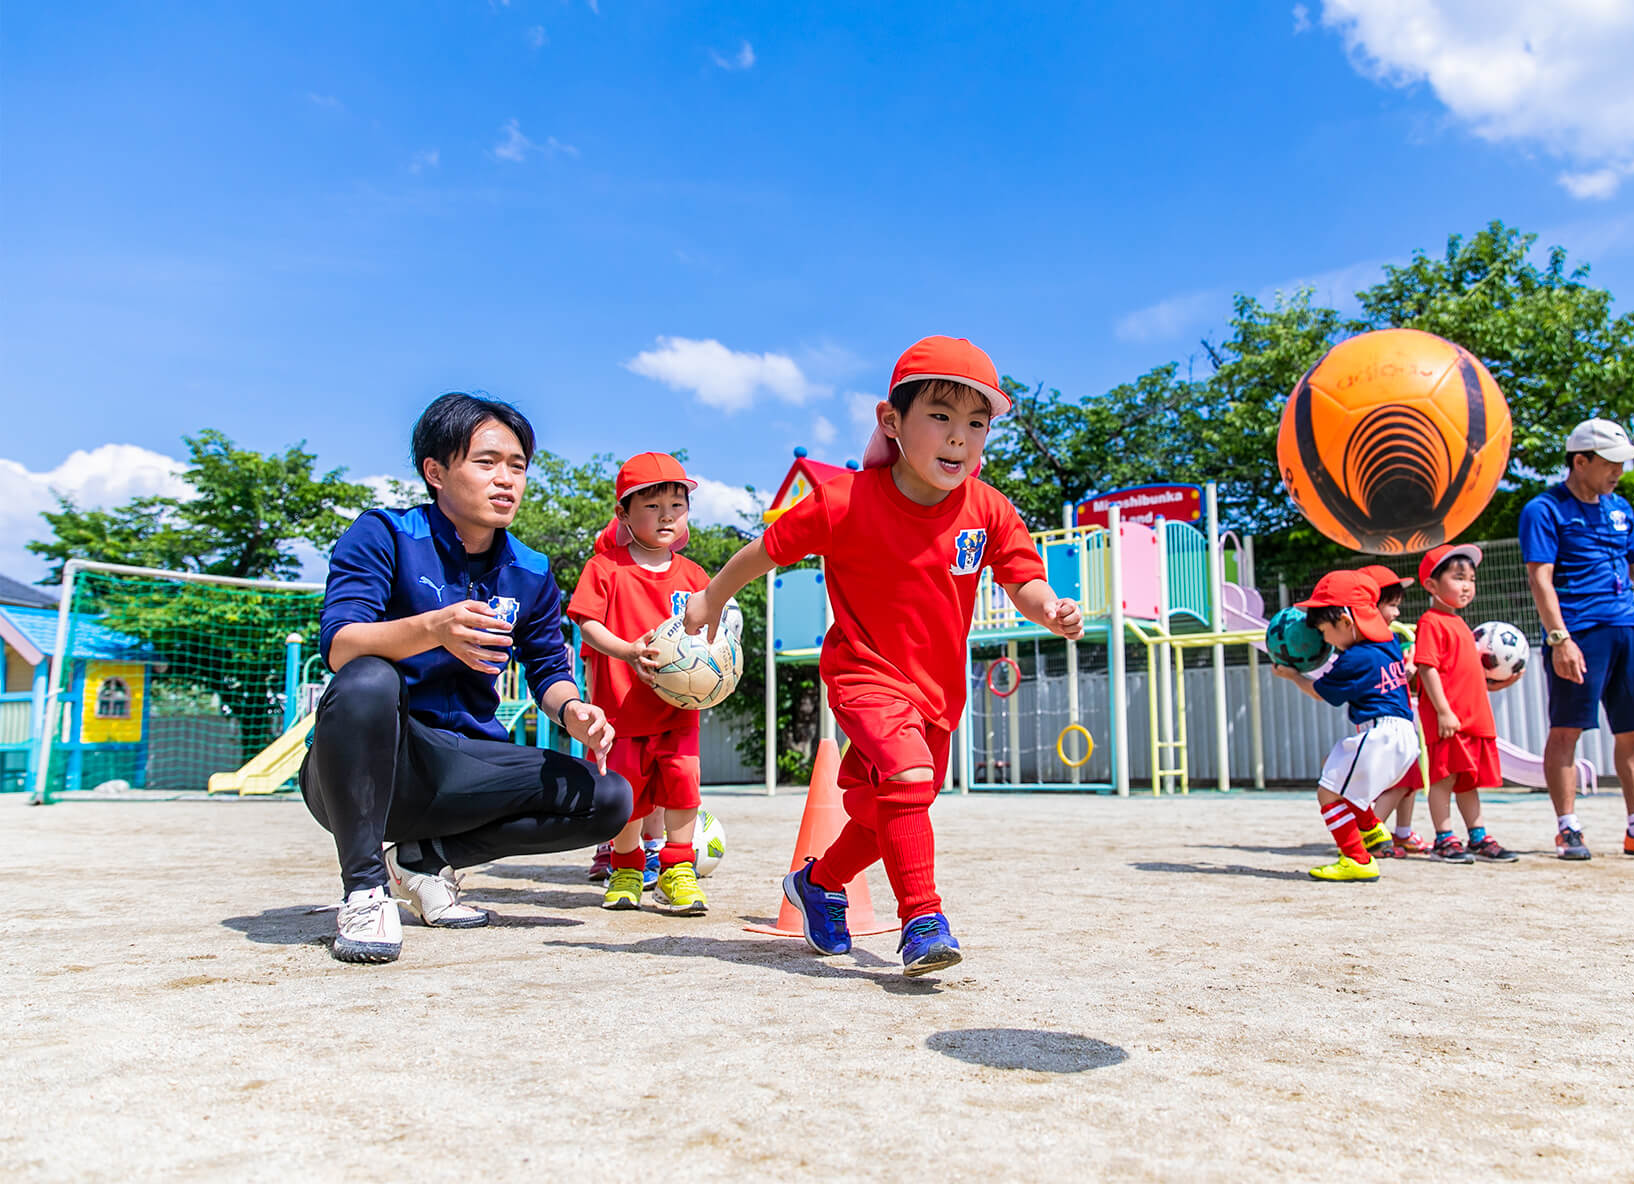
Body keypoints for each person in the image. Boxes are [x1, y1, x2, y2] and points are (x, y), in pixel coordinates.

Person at [681, 336, 1084, 976]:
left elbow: (1023, 579)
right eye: (942, 417)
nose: (960, 438)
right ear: (891, 421)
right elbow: (766, 551)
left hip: (938, 694)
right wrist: (708, 599)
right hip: (863, 674)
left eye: (976, 425)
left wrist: (1050, 609)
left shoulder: (989, 509)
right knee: (905, 780)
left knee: (888, 813)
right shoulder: (844, 502)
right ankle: (923, 919)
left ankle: (817, 884)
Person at [302, 393, 632, 964]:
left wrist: (573, 709)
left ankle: (421, 861)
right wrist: (433, 627)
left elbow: (549, 666)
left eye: (518, 465)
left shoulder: (529, 570)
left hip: (469, 768)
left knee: (609, 797)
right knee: (368, 679)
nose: (506, 480)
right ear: (435, 471)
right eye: (486, 462)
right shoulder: (383, 535)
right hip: (376, 767)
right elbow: (340, 644)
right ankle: (363, 888)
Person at [1519, 419, 1634, 861]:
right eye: (1612, 463)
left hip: (1628, 631)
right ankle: (1568, 829)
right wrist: (1559, 638)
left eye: (1624, 463)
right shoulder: (1544, 510)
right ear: (1580, 461)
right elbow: (1540, 580)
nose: (1620, 472)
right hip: (1579, 633)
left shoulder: (1620, 507)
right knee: (1566, 731)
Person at [566, 452, 713, 915]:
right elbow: (588, 624)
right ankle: (626, 867)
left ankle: (678, 870)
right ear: (623, 514)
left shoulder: (693, 576)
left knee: (684, 784)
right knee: (625, 796)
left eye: (677, 505)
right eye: (652, 506)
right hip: (620, 713)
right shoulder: (605, 568)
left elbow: (714, 635)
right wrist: (627, 650)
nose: (667, 515)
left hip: (678, 712)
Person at [1272, 570, 1419, 883]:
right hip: (1403, 734)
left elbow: (1319, 693)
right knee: (1335, 770)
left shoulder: (1354, 661)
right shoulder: (1388, 642)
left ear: (1345, 621)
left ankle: (1357, 858)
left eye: (1325, 630)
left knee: (1328, 793)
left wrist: (1293, 675)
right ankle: (1372, 830)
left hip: (1381, 734)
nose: (1324, 640)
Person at [1410, 545, 1520, 863]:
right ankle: (1444, 839)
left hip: (1473, 719)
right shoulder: (1431, 622)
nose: (1468, 585)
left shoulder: (1462, 626)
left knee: (1468, 781)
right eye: (1459, 578)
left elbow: (1464, 674)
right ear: (1431, 585)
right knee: (1444, 779)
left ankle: (1478, 836)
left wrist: (1499, 683)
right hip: (1450, 721)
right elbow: (1428, 668)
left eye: (1471, 578)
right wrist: (1444, 711)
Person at [1357, 564, 1427, 857]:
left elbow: (1397, 676)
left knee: (1410, 781)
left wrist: (1408, 668)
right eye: (1392, 605)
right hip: (1382, 725)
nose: (1397, 613)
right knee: (1397, 783)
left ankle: (1402, 832)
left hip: (1401, 719)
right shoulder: (1366, 643)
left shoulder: (1389, 639)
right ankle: (1372, 835)